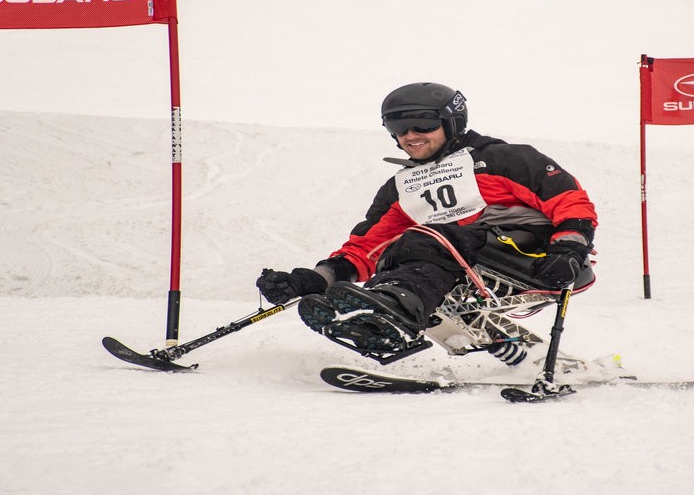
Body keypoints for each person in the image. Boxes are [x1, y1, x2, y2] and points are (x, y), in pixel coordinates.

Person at [256, 82, 597, 366]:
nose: (410, 135)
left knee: (424, 239)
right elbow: (368, 247)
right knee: (400, 251)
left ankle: (393, 313)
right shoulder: (403, 187)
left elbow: (568, 199)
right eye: (398, 128)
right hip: (461, 260)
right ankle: (521, 355)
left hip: (537, 256)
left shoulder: (503, 159)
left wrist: (569, 246)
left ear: (452, 123)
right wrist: (317, 278)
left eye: (422, 125)